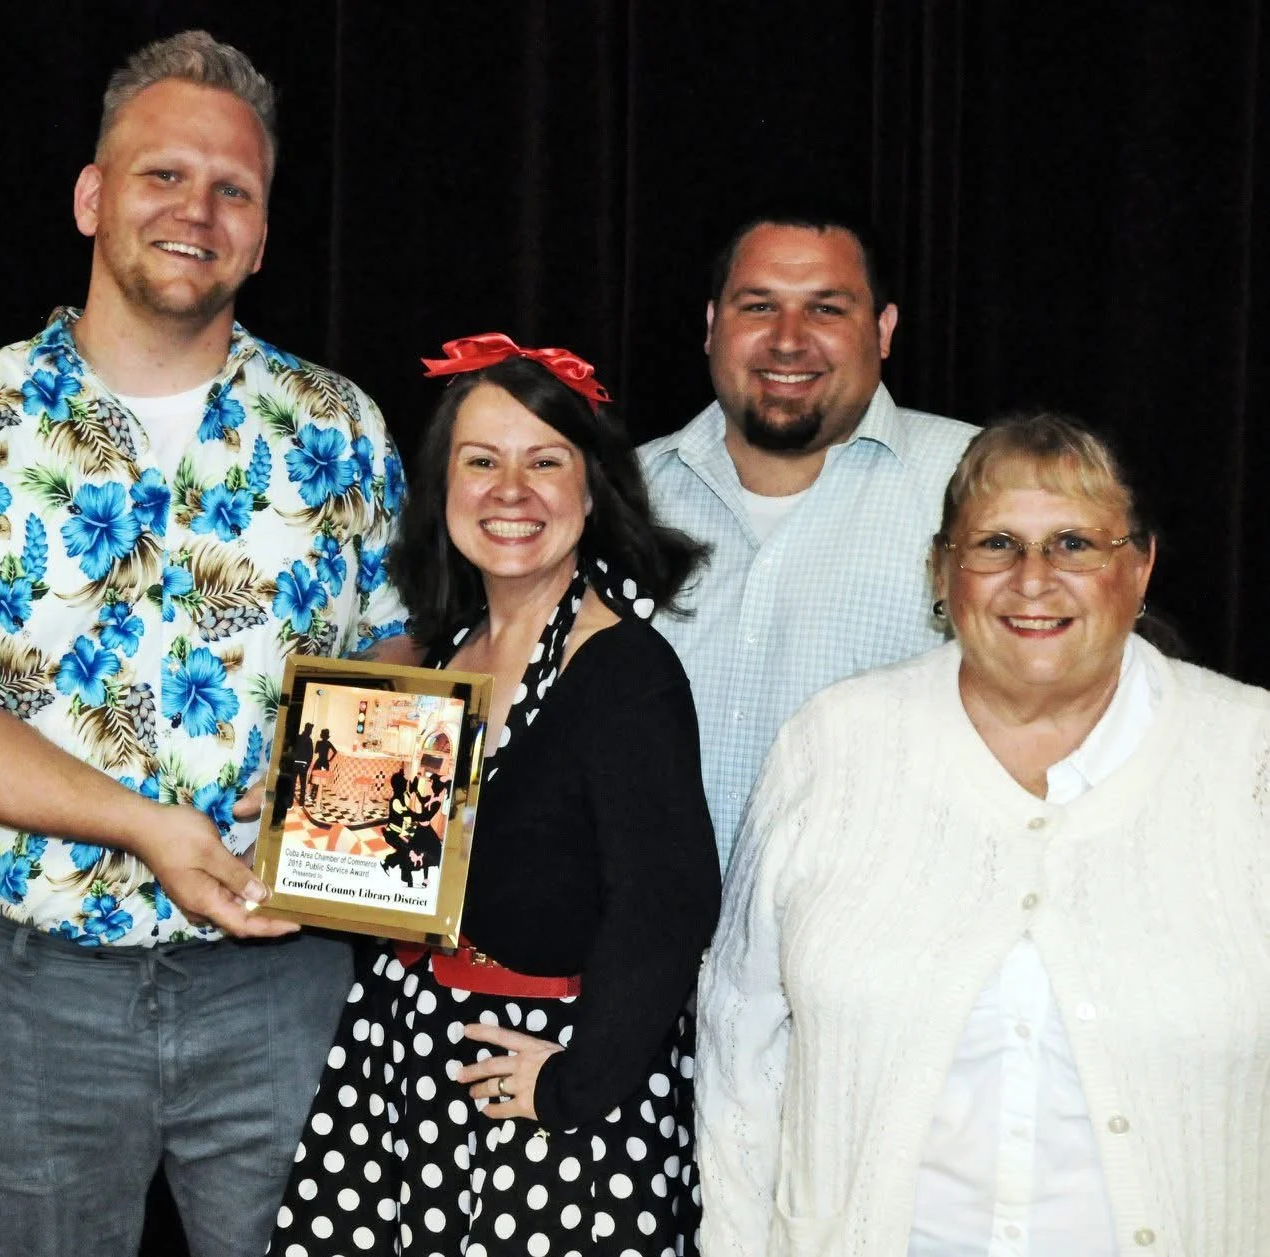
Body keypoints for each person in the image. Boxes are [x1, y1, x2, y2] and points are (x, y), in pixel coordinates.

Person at [0, 31, 409, 1257]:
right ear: (94, 197)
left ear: (261, 228)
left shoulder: (338, 427)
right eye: (163, 174)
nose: (197, 209)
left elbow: (401, 657)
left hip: (283, 982)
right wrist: (145, 824)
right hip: (39, 989)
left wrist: (328, 781)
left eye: (233, 188)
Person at [697, 413, 1270, 1255]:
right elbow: (738, 1045)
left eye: (1075, 543)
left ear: (1139, 567)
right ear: (941, 571)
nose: (1032, 580)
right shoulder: (832, 747)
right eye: (995, 544)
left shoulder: (1248, 759)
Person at [269, 335, 721, 1257]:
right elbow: (394, 883)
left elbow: (668, 905)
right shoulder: (441, 657)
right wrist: (300, 838)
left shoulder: (625, 668)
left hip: (546, 1084)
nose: (509, 491)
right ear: (442, 489)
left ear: (592, 491)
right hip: (403, 1058)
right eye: (480, 462)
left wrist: (575, 1081)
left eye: (544, 461)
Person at [638, 212, 976, 869]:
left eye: (825, 308)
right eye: (758, 305)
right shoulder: (619, 497)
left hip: (879, 949)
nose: (787, 341)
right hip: (643, 957)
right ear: (711, 326)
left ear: (882, 330)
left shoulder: (976, 486)